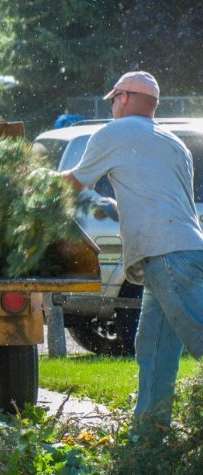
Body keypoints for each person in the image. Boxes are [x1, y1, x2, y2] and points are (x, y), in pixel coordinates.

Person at [61, 71, 203, 428]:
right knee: (152, 351)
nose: (111, 105)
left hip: (167, 256)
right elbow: (160, 197)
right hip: (180, 252)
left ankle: (149, 435)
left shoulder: (115, 132)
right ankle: (148, 440)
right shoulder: (174, 143)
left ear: (124, 98)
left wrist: (24, 180)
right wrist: (112, 206)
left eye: (113, 99)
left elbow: (72, 184)